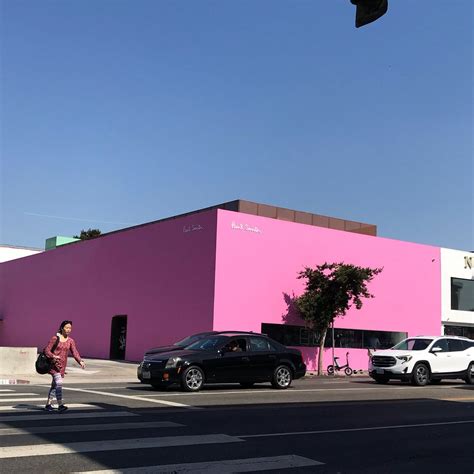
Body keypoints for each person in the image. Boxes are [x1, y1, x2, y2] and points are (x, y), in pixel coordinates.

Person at [44, 320, 85, 412]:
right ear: (62, 328)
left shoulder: (71, 341)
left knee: (54, 385)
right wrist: (53, 356)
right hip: (53, 365)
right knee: (59, 383)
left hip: (62, 367)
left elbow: (75, 352)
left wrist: (80, 361)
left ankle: (48, 404)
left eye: (70, 328)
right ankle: (60, 405)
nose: (68, 329)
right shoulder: (55, 338)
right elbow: (47, 350)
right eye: (66, 327)